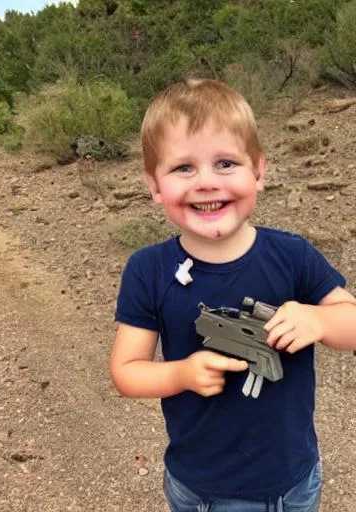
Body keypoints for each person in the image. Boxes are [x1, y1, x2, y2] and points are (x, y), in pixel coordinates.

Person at [110, 78, 356, 511]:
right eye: (183, 168)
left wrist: (318, 320)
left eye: (225, 163)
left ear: (259, 172)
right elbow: (127, 371)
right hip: (198, 488)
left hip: (292, 482)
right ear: (154, 185)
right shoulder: (148, 270)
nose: (206, 182)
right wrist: (182, 374)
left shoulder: (292, 255)